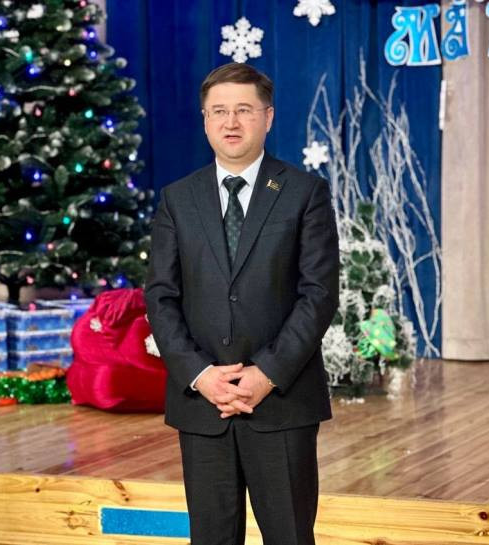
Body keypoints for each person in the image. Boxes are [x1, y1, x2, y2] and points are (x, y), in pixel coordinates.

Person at [144, 62, 339, 545]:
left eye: (244, 110)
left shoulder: (304, 193)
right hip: (203, 405)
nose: (231, 122)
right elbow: (161, 296)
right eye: (219, 111)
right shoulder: (177, 199)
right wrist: (201, 375)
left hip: (282, 404)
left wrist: (266, 374)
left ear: (267, 117)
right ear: (205, 120)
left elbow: (318, 294)